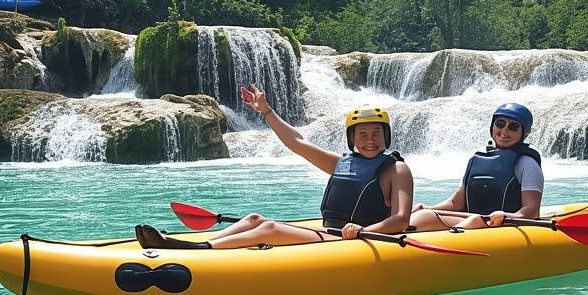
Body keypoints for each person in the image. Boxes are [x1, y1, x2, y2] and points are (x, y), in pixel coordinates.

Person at [135, 84, 414, 250]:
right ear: (352, 138)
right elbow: (298, 142)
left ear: (385, 136)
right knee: (255, 218)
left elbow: (400, 220)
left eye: (376, 134)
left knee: (269, 228)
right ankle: (197, 245)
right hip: (332, 234)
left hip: (359, 239)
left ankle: (197, 249)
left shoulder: (396, 170)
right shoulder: (342, 163)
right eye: (362, 135)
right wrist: (266, 111)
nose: (370, 141)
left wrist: (361, 230)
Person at [410, 101, 543, 232]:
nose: (504, 130)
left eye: (513, 127)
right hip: (473, 222)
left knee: (427, 218)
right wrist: (428, 208)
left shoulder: (527, 163)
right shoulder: (475, 160)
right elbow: (456, 203)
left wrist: (507, 216)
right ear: (492, 126)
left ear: (523, 132)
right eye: (500, 124)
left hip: (504, 227)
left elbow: (531, 210)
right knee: (422, 215)